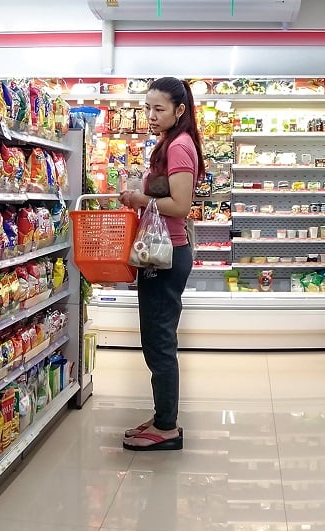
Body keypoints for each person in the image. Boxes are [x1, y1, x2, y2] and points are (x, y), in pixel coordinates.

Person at [118, 77, 204, 452]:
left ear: (179, 111)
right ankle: (161, 416)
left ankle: (167, 426)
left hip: (167, 254)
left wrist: (139, 199)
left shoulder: (180, 146)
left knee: (160, 342)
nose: (151, 116)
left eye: (159, 109)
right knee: (156, 339)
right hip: (162, 250)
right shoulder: (170, 142)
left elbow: (181, 206)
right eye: (147, 107)